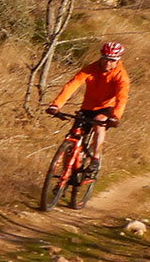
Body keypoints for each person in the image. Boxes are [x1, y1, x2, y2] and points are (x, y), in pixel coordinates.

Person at [45, 41, 131, 175]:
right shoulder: (91, 69)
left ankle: (95, 159)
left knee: (99, 123)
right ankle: (65, 175)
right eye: (105, 59)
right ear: (101, 56)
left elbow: (122, 97)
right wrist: (56, 104)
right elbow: (72, 85)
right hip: (87, 107)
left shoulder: (121, 76)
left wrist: (115, 117)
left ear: (118, 60)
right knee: (73, 137)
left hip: (106, 107)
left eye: (112, 60)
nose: (107, 63)